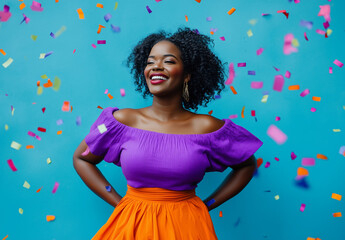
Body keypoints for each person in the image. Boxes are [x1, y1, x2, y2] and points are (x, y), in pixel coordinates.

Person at [73, 27, 263, 240]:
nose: (156, 67)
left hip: (188, 228)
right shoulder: (119, 121)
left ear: (188, 75)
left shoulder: (208, 127)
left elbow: (246, 165)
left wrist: (206, 204)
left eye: (169, 61)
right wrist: (120, 203)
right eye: (150, 62)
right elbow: (82, 158)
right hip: (131, 227)